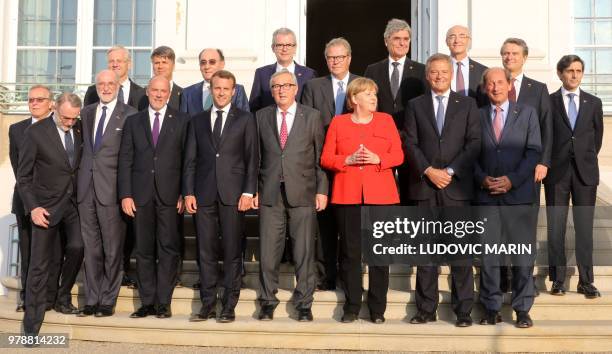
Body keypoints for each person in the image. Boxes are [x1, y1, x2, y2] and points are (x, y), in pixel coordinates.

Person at [403, 53, 481, 327]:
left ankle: (463, 311)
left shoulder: (468, 105)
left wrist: (449, 171)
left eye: (443, 72)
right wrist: (428, 171)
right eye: (434, 72)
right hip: (425, 187)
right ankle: (425, 310)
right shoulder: (415, 105)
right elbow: (410, 143)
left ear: (451, 75)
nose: (438, 76)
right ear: (427, 75)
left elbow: (474, 143)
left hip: (456, 188)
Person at [320, 77, 403, 324]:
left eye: (375, 94)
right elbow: (326, 158)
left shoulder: (386, 121)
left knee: (379, 255)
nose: (374, 98)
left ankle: (378, 309)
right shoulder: (339, 122)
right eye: (368, 94)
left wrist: (380, 159)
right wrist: (346, 160)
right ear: (354, 98)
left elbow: (398, 154)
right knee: (350, 254)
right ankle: (352, 306)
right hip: (347, 196)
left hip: (381, 195)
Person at [183, 70, 258, 323]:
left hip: (234, 194)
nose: (222, 93)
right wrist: (188, 191)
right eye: (217, 88)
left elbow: (252, 158)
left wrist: (249, 191)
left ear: (233, 91)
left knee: (232, 250)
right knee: (205, 250)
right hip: (203, 194)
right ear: (211, 89)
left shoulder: (246, 119)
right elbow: (190, 161)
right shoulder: (197, 120)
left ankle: (229, 304)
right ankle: (207, 304)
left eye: (226, 89)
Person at [254, 70, 328, 322]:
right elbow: (257, 157)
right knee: (268, 251)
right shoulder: (261, 116)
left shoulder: (312, 117)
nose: (281, 90)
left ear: (296, 89)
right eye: (275, 86)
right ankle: (267, 301)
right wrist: (253, 188)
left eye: (286, 85)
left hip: (304, 192)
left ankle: (304, 303)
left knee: (304, 251)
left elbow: (320, 159)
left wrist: (322, 189)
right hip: (270, 193)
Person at [118, 76, 189, 319]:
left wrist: (184, 191)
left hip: (170, 196)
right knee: (144, 250)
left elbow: (188, 161)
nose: (159, 95)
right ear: (147, 92)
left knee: (168, 248)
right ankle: (147, 301)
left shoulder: (182, 120)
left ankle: (163, 302)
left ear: (169, 93)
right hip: (141, 195)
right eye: (155, 90)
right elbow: (125, 160)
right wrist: (125, 194)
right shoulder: (133, 121)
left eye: (163, 91)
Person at [475, 67, 541, 328]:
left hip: (519, 196)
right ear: (484, 88)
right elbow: (469, 152)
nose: (495, 87)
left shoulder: (527, 114)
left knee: (522, 256)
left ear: (509, 85)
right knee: (490, 256)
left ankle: (522, 309)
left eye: (500, 82)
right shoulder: (476, 115)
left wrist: (512, 180)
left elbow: (534, 152)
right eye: (490, 83)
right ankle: (491, 308)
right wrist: (482, 178)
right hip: (486, 196)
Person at [18, 93, 84, 337]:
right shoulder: (35, 134)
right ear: (55, 108)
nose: (69, 122)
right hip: (43, 207)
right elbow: (24, 177)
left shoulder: (78, 130)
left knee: (77, 247)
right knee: (39, 266)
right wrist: (33, 207)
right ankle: (31, 326)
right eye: (66, 118)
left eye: (73, 119)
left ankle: (62, 295)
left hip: (72, 205)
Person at [77, 70, 138, 317]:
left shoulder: (130, 114)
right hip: (85, 189)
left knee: (112, 249)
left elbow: (130, 158)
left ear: (118, 86)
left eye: (110, 83)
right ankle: (91, 298)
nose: (105, 87)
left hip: (112, 190)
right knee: (90, 248)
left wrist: (127, 193)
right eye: (101, 83)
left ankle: (107, 299)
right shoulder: (86, 112)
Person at [301, 37, 359, 291]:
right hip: (322, 161)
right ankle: (326, 276)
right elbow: (307, 125)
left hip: (353, 163)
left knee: (350, 226)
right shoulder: (313, 86)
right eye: (330, 57)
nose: (335, 61)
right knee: (324, 224)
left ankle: (350, 277)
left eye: (340, 57)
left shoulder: (360, 84)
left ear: (349, 58)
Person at [545, 55, 604, 298]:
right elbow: (545, 135)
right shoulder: (548, 102)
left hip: (585, 173)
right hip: (557, 172)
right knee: (556, 228)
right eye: (569, 71)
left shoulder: (594, 102)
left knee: (584, 229)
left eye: (578, 71)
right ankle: (558, 280)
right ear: (560, 73)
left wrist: (583, 157)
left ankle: (586, 281)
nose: (574, 75)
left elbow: (596, 138)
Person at [500, 38, 552, 293]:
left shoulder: (538, 89)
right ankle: (502, 280)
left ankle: (524, 280)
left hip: (529, 171)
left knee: (524, 231)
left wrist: (544, 161)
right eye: (506, 53)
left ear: (525, 57)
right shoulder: (492, 85)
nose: (510, 57)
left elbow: (547, 129)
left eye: (515, 53)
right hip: (497, 172)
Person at [364, 18, 426, 204]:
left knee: (411, 192)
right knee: (382, 191)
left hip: (411, 138)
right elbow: (368, 104)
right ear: (386, 41)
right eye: (397, 38)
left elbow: (424, 107)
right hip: (381, 141)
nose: (402, 43)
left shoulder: (421, 70)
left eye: (406, 39)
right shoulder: (373, 70)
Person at [9, 85, 60, 312]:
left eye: (40, 99)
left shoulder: (62, 125)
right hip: (27, 202)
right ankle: (28, 298)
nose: (34, 103)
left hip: (58, 202)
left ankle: (51, 296)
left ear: (51, 103)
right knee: (28, 251)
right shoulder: (17, 129)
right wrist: (32, 202)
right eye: (30, 100)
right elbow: (19, 168)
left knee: (57, 252)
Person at [249, 28, 317, 112]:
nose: (284, 49)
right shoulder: (262, 73)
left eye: (288, 45)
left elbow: (313, 107)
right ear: (273, 48)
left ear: (295, 48)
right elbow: (254, 107)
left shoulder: (309, 74)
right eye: (280, 45)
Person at [180, 48, 249, 115]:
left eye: (212, 62)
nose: (207, 66)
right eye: (203, 62)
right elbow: (183, 123)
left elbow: (245, 120)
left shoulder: (238, 90)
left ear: (222, 64)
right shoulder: (187, 93)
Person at [445, 25, 488, 106]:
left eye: (462, 36)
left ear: (469, 41)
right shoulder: (438, 70)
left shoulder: (483, 71)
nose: (457, 40)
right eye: (452, 36)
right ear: (447, 42)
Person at [139, 46, 183, 110]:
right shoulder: (140, 95)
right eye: (157, 63)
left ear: (173, 66)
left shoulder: (183, 95)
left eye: (164, 62)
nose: (160, 66)